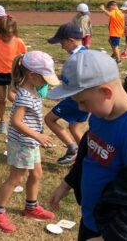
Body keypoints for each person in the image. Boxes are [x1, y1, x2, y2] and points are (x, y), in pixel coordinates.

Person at [47, 51, 127, 241]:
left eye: (83, 102)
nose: (81, 109)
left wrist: (108, 237)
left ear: (106, 92)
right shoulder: (100, 115)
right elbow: (88, 153)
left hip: (117, 232)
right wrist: (67, 184)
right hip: (93, 219)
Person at [0, 51, 60, 233]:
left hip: (30, 142)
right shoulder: (25, 95)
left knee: (37, 174)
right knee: (15, 179)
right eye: (45, 78)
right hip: (22, 143)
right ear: (32, 75)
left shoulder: (33, 90)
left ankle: (31, 206)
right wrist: (38, 136)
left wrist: (36, 137)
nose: (46, 83)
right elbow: (17, 122)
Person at [44, 23, 90, 165]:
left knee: (49, 119)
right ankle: (88, 155)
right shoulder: (85, 53)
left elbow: (76, 79)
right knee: (74, 127)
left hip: (77, 98)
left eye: (62, 43)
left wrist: (56, 78)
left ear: (71, 40)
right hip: (87, 98)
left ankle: (73, 149)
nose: (61, 46)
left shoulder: (76, 58)